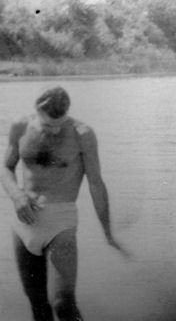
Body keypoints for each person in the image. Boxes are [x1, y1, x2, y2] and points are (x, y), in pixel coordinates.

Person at [1, 86, 127, 321]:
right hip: (24, 222)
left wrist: (108, 232)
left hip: (62, 223)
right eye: (48, 125)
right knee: (37, 304)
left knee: (63, 303)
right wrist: (16, 195)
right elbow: (6, 167)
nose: (55, 129)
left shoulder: (82, 134)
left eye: (60, 123)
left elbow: (96, 184)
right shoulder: (20, 126)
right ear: (37, 111)